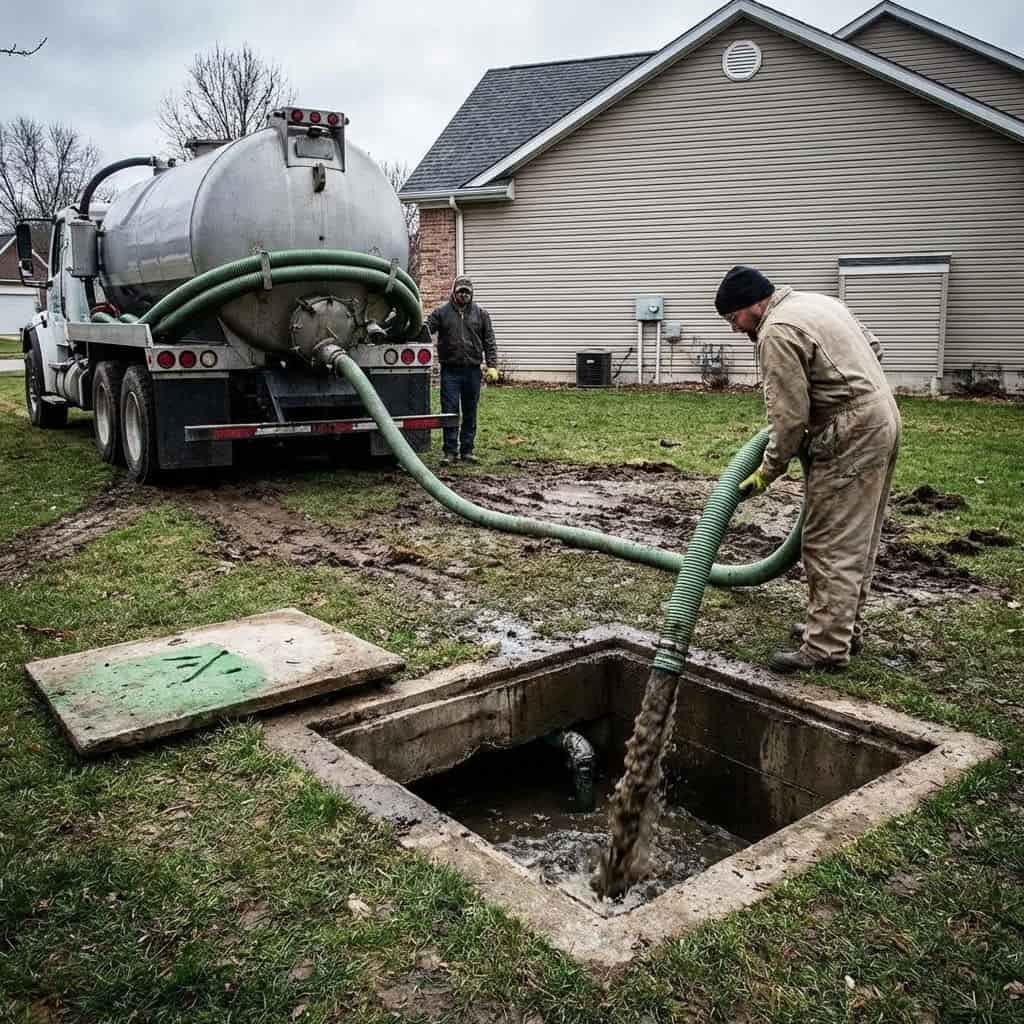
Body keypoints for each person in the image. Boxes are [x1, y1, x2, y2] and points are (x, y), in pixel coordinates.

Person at [715, 265, 901, 673]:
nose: (734, 329)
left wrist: (767, 471)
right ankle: (840, 629)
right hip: (882, 415)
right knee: (857, 537)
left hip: (852, 431)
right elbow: (875, 347)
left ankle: (826, 649)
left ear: (752, 304)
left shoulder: (776, 331)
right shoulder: (818, 303)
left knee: (829, 541)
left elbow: (788, 417)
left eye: (733, 318)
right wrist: (851, 392)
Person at [425, 276, 499, 464]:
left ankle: (467, 450)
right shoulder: (441, 313)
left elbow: (489, 341)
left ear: (471, 294)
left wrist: (492, 365)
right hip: (450, 371)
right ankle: (450, 451)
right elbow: (425, 330)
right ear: (454, 292)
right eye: (460, 291)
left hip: (472, 371)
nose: (463, 295)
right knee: (449, 411)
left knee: (470, 411)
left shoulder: (481, 314)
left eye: (467, 292)